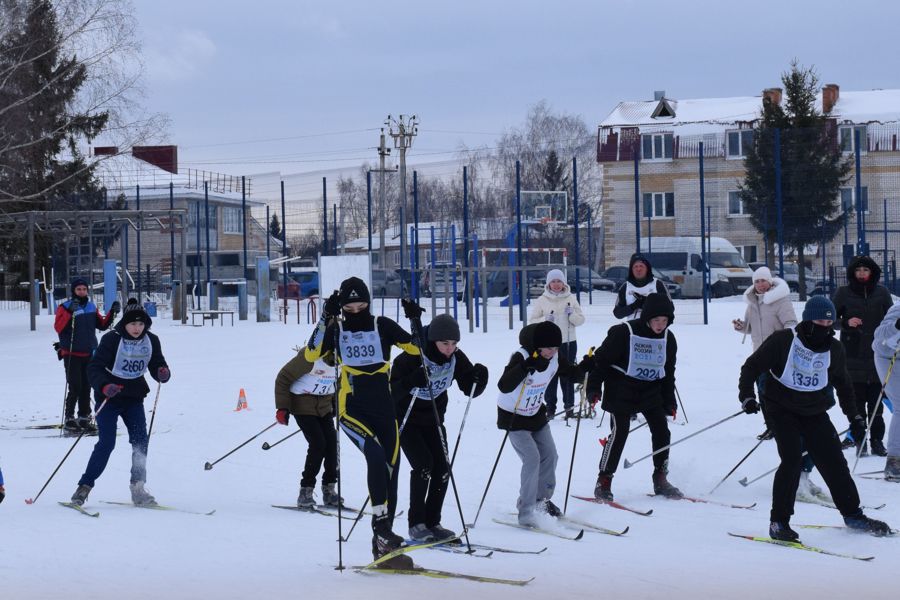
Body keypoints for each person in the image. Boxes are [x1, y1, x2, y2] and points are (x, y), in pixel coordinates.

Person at [738, 296, 892, 541]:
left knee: (834, 462)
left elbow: (844, 385)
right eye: (820, 321)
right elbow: (751, 367)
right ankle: (779, 522)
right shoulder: (783, 341)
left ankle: (853, 514)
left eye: (829, 323)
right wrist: (746, 396)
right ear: (808, 320)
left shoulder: (834, 349)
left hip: (814, 411)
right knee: (791, 461)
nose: (825, 327)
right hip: (781, 408)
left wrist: (855, 417)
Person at [303, 277, 420, 566]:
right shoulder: (337, 328)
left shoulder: (382, 325)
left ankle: (383, 540)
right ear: (342, 306)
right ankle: (380, 529)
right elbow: (311, 352)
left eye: (361, 303)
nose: (355, 308)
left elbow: (417, 349)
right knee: (376, 456)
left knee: (391, 472)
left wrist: (415, 320)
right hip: (351, 409)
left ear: (369, 301)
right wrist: (325, 317)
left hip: (384, 408)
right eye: (349, 304)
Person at [390, 314, 488, 542]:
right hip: (406, 420)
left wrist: (478, 379)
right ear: (433, 341)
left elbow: (469, 388)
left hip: (433, 420)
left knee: (443, 469)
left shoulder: (455, 357)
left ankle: (433, 522)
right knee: (424, 465)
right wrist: (411, 380)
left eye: (454, 344)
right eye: (445, 344)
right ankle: (416, 524)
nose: (450, 349)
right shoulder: (412, 357)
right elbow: (391, 393)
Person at [732, 267, 826, 499]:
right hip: (759, 355)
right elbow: (751, 326)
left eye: (763, 281)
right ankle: (772, 423)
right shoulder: (753, 302)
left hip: (780, 359)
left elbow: (791, 325)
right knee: (763, 394)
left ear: (770, 282)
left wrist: (781, 345)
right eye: (757, 281)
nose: (760, 285)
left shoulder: (780, 300)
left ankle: (781, 432)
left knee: (780, 401)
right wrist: (741, 327)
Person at [70, 299, 170, 507]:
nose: (137, 328)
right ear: (124, 323)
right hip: (109, 398)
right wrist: (105, 386)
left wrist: (162, 371)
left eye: (141, 324)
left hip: (134, 397)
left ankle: (138, 488)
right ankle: (84, 487)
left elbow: (156, 362)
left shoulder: (151, 340)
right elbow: (94, 368)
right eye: (133, 324)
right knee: (107, 443)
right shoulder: (111, 339)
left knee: (140, 442)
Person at [496, 321, 592, 527]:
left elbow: (571, 374)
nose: (552, 352)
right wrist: (525, 366)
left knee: (550, 455)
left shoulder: (555, 357)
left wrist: (585, 368)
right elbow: (504, 385)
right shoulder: (521, 356)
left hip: (535, 414)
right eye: (548, 347)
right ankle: (526, 510)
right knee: (532, 458)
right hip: (514, 416)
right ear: (537, 346)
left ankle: (541, 500)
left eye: (556, 347)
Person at [587, 293, 682, 501]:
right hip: (621, 389)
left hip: (650, 391)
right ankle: (604, 480)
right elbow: (601, 361)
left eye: (665, 321)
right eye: (656, 320)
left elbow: (668, 371)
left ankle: (660, 477)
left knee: (662, 431)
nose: (660, 325)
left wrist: (669, 401)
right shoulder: (624, 332)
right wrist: (593, 388)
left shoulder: (668, 338)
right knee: (620, 431)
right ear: (647, 317)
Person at [832, 256, 893, 456]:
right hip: (851, 355)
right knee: (856, 404)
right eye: (858, 271)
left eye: (865, 270)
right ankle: (859, 441)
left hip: (879, 355)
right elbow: (830, 320)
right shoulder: (843, 293)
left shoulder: (882, 293)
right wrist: (846, 323)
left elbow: (892, 321)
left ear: (872, 272)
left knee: (877, 406)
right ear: (852, 273)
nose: (862, 274)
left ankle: (876, 440)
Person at [274, 336, 341, 509]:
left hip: (324, 406)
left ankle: (329, 490)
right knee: (318, 444)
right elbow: (283, 378)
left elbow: (339, 383)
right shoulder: (310, 356)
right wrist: (282, 408)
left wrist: (335, 404)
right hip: (302, 405)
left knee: (332, 444)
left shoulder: (345, 358)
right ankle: (306, 491)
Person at [53, 278, 120, 431]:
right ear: (73, 291)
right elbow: (58, 327)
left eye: (84, 289)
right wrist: (70, 312)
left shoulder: (91, 307)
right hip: (71, 352)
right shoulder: (65, 307)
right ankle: (69, 417)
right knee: (75, 386)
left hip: (89, 352)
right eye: (79, 289)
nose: (82, 292)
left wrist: (112, 312)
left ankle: (84, 416)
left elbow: (102, 325)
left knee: (87, 386)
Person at [528, 269, 585, 419]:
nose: (556, 284)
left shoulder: (571, 298)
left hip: (568, 342)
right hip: (549, 345)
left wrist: (571, 314)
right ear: (548, 284)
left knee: (568, 375)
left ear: (563, 283)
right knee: (550, 376)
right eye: (553, 281)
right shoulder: (542, 300)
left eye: (559, 281)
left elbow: (580, 320)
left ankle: (569, 407)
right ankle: (550, 408)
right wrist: (545, 320)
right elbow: (532, 321)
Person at [871, 303, 900, 481]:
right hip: (888, 358)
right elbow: (879, 336)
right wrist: (897, 326)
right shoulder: (897, 310)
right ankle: (894, 461)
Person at [613, 253, 669, 320]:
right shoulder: (625, 287)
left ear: (647, 268)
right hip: (632, 328)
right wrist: (634, 306)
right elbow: (617, 313)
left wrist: (649, 304)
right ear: (631, 270)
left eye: (641, 266)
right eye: (635, 266)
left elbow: (670, 308)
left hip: (654, 329)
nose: (638, 269)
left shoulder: (658, 284)